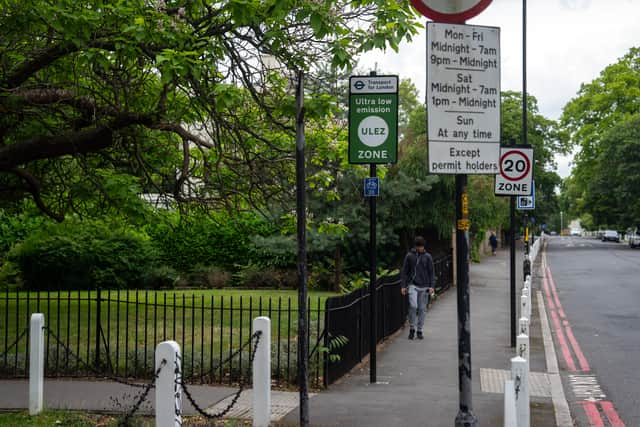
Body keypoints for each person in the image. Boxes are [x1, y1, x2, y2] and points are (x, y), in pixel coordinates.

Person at [400, 236, 435, 340]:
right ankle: (412, 328)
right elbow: (404, 272)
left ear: (423, 246)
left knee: (422, 309)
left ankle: (419, 330)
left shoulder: (428, 257)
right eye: (417, 246)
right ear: (415, 246)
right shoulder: (409, 256)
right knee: (413, 305)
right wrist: (403, 286)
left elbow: (432, 273)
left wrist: (432, 286)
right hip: (412, 285)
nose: (419, 248)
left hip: (424, 286)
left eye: (420, 246)